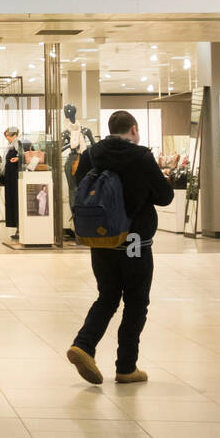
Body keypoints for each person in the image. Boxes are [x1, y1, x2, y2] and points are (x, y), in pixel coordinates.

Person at [66, 110, 175, 385]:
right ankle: (126, 367)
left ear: (110, 128)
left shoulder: (92, 154)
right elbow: (164, 196)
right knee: (136, 301)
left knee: (108, 296)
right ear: (134, 129)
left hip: (101, 240)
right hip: (134, 241)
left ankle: (84, 345)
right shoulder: (141, 157)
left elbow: (80, 186)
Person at [0, 126, 27, 240]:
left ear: (14, 135)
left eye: (9, 135)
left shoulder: (19, 145)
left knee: (17, 203)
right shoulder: (10, 147)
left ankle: (21, 229)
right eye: (6, 135)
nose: (7, 138)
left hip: (17, 180)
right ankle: (18, 228)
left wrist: (18, 159)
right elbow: (5, 166)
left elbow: (26, 157)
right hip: (10, 180)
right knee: (12, 203)